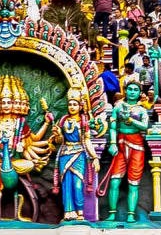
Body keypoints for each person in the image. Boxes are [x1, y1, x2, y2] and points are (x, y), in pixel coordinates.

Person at [103, 81, 149, 223]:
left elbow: (145, 126)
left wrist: (130, 119)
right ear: (125, 91)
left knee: (133, 183)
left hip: (137, 147)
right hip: (120, 144)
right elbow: (112, 127)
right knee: (114, 181)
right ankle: (112, 213)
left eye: (136, 90)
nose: (132, 92)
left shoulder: (141, 110)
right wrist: (112, 143)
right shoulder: (118, 107)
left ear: (139, 93)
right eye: (130, 89)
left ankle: (131, 213)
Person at [51, 88, 100, 221]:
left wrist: (95, 157)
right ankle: (68, 211)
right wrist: (58, 134)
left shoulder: (83, 122)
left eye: (75, 104)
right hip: (64, 153)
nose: (72, 107)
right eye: (70, 104)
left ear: (80, 106)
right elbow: (60, 141)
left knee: (78, 184)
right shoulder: (63, 121)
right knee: (66, 185)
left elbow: (87, 140)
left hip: (79, 154)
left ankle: (79, 212)